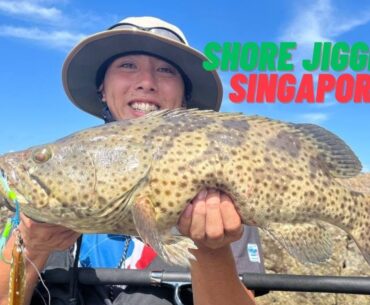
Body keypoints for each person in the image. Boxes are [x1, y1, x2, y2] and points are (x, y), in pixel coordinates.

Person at [0, 16, 266, 305]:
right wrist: (32, 248)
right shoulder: (48, 190)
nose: (146, 82)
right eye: (127, 66)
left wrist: (212, 250)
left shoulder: (221, 182)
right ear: (102, 87)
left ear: (185, 96)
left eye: (165, 70)